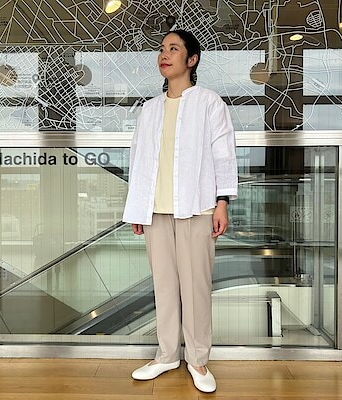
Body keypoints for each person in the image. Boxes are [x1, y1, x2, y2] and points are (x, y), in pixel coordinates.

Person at [122, 29, 238, 393]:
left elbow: (223, 154)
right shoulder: (150, 109)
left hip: (198, 208)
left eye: (173, 49)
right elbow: (139, 160)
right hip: (156, 212)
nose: (164, 55)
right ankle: (167, 354)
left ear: (192, 59)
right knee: (165, 287)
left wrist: (222, 202)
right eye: (161, 49)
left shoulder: (209, 103)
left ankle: (198, 359)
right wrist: (138, 208)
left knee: (196, 287)